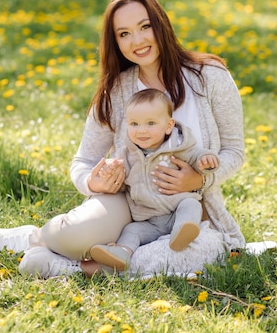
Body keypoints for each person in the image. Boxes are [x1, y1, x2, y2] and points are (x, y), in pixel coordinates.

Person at [0, 0, 249, 278]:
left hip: (192, 209)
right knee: (75, 235)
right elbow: (82, 162)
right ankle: (35, 239)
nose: (138, 40)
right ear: (115, 42)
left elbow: (234, 151)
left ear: (162, 26)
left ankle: (73, 268)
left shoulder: (209, 77)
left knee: (199, 250)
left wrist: (201, 177)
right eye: (124, 33)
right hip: (131, 206)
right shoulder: (116, 92)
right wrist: (93, 184)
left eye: (145, 27)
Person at [89, 88, 220, 272]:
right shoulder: (128, 154)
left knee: (191, 204)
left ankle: (183, 231)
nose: (141, 130)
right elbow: (118, 176)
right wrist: (109, 171)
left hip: (176, 208)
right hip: (148, 219)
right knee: (131, 231)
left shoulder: (178, 146)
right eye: (134, 124)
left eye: (150, 123)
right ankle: (122, 253)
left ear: (168, 126)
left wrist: (205, 159)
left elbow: (196, 156)